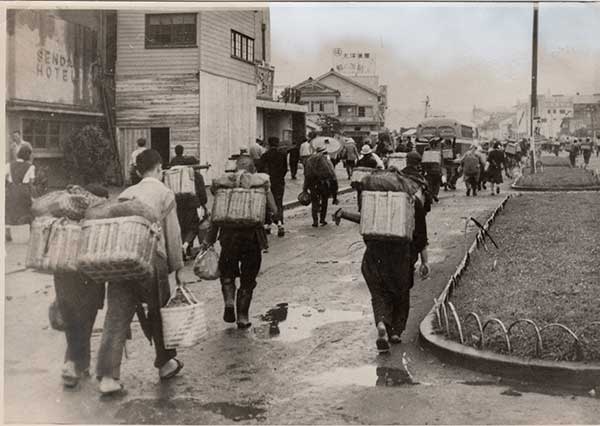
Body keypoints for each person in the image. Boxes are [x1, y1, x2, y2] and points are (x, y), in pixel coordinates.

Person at [96, 149, 185, 395]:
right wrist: (177, 269)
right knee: (159, 311)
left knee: (116, 316)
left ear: (138, 170)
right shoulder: (165, 193)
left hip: (123, 259)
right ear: (159, 168)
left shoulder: (125, 194)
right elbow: (173, 234)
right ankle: (165, 362)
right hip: (151, 258)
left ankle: (108, 377)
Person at [334, 159, 430, 352]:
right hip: (401, 255)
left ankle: (381, 324)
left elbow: (366, 221)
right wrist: (424, 261)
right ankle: (395, 331)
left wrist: (343, 214)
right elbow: (420, 236)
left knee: (378, 294)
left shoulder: (375, 198)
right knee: (401, 293)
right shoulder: (412, 201)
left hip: (374, 253)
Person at [201, 157, 278, 329]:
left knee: (227, 273)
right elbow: (274, 210)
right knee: (248, 278)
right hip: (252, 239)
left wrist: (208, 240)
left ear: (236, 169)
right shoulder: (260, 186)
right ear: (253, 170)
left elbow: (215, 217)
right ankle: (242, 316)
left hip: (228, 238)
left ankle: (229, 301)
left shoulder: (225, 187)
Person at [56, 185, 109, 388]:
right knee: (83, 320)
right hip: (87, 275)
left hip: (64, 275)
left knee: (77, 319)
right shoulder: (95, 221)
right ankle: (71, 363)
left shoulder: (68, 220)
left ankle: (81, 364)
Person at [169, 145, 208, 259]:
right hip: (192, 205)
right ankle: (186, 246)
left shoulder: (174, 174)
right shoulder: (197, 176)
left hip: (177, 204)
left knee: (181, 227)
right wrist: (202, 205)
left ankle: (183, 250)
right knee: (193, 227)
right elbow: (203, 195)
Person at [5, 144, 35, 242]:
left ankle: (7, 233)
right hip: (24, 191)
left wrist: (8, 184)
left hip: (12, 190)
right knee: (27, 211)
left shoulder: (9, 165)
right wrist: (32, 196)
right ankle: (29, 233)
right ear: (28, 155)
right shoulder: (31, 166)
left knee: (10, 211)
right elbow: (31, 182)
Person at [259, 137, 287, 237]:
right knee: (278, 203)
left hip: (267, 182)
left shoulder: (265, 155)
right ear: (278, 143)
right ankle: (280, 224)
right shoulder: (282, 155)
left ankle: (267, 225)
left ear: (268, 144)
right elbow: (285, 169)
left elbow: (260, 169)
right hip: (279, 182)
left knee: (267, 203)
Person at [304, 146, 337, 227]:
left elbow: (306, 174)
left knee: (314, 202)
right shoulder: (326, 160)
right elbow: (332, 174)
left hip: (312, 183)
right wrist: (334, 191)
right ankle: (322, 219)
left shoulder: (310, 160)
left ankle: (315, 221)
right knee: (324, 201)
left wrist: (305, 187)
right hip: (323, 184)